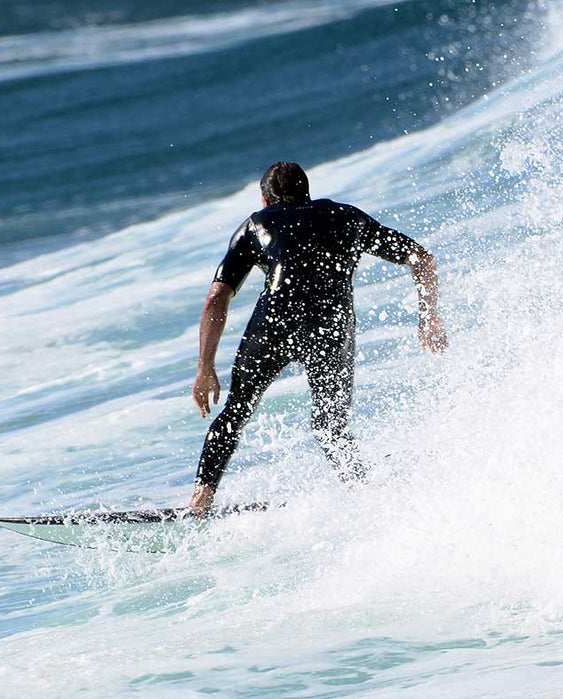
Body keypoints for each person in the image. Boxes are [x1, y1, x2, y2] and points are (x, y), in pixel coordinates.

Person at [187, 161, 447, 511]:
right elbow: (421, 258)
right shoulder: (346, 217)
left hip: (275, 324)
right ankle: (363, 492)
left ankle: (201, 499)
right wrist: (429, 318)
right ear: (307, 193)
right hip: (331, 328)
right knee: (330, 425)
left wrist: (205, 366)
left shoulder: (257, 224)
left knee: (236, 411)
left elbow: (216, 297)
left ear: (266, 200)